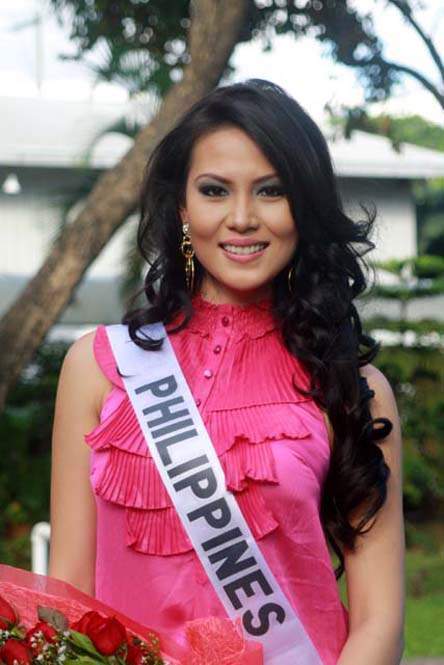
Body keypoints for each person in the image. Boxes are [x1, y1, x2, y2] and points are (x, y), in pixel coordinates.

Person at [49, 79, 405, 665]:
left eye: (272, 191)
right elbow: (67, 594)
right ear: (183, 209)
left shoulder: (352, 388)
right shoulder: (98, 367)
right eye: (215, 190)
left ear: (305, 207)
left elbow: (379, 621)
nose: (242, 218)